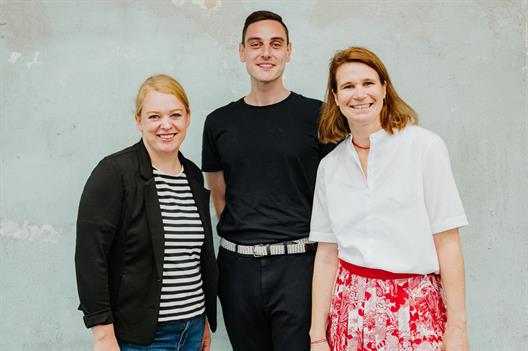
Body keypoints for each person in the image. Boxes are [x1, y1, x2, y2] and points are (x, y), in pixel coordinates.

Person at [309, 47, 469, 351]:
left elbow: (448, 242)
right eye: (348, 86)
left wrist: (458, 328)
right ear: (335, 96)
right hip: (350, 312)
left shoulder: (425, 147)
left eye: (368, 83)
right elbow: (327, 253)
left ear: (384, 88)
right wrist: (318, 335)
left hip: (416, 309)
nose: (359, 94)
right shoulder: (330, 166)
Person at [201, 10, 332, 351]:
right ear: (241, 51)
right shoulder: (219, 123)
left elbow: (337, 193)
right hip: (237, 269)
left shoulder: (317, 116)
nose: (266, 53)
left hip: (300, 266)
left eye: (275, 44)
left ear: (289, 50)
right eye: (255, 44)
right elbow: (220, 196)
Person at [75, 74, 218, 351]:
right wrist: (102, 334)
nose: (166, 125)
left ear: (188, 117)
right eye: (154, 117)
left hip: (191, 330)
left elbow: (194, 257)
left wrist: (201, 320)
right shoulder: (114, 173)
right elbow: (90, 257)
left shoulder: (192, 175)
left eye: (175, 115)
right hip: (140, 338)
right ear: (139, 121)